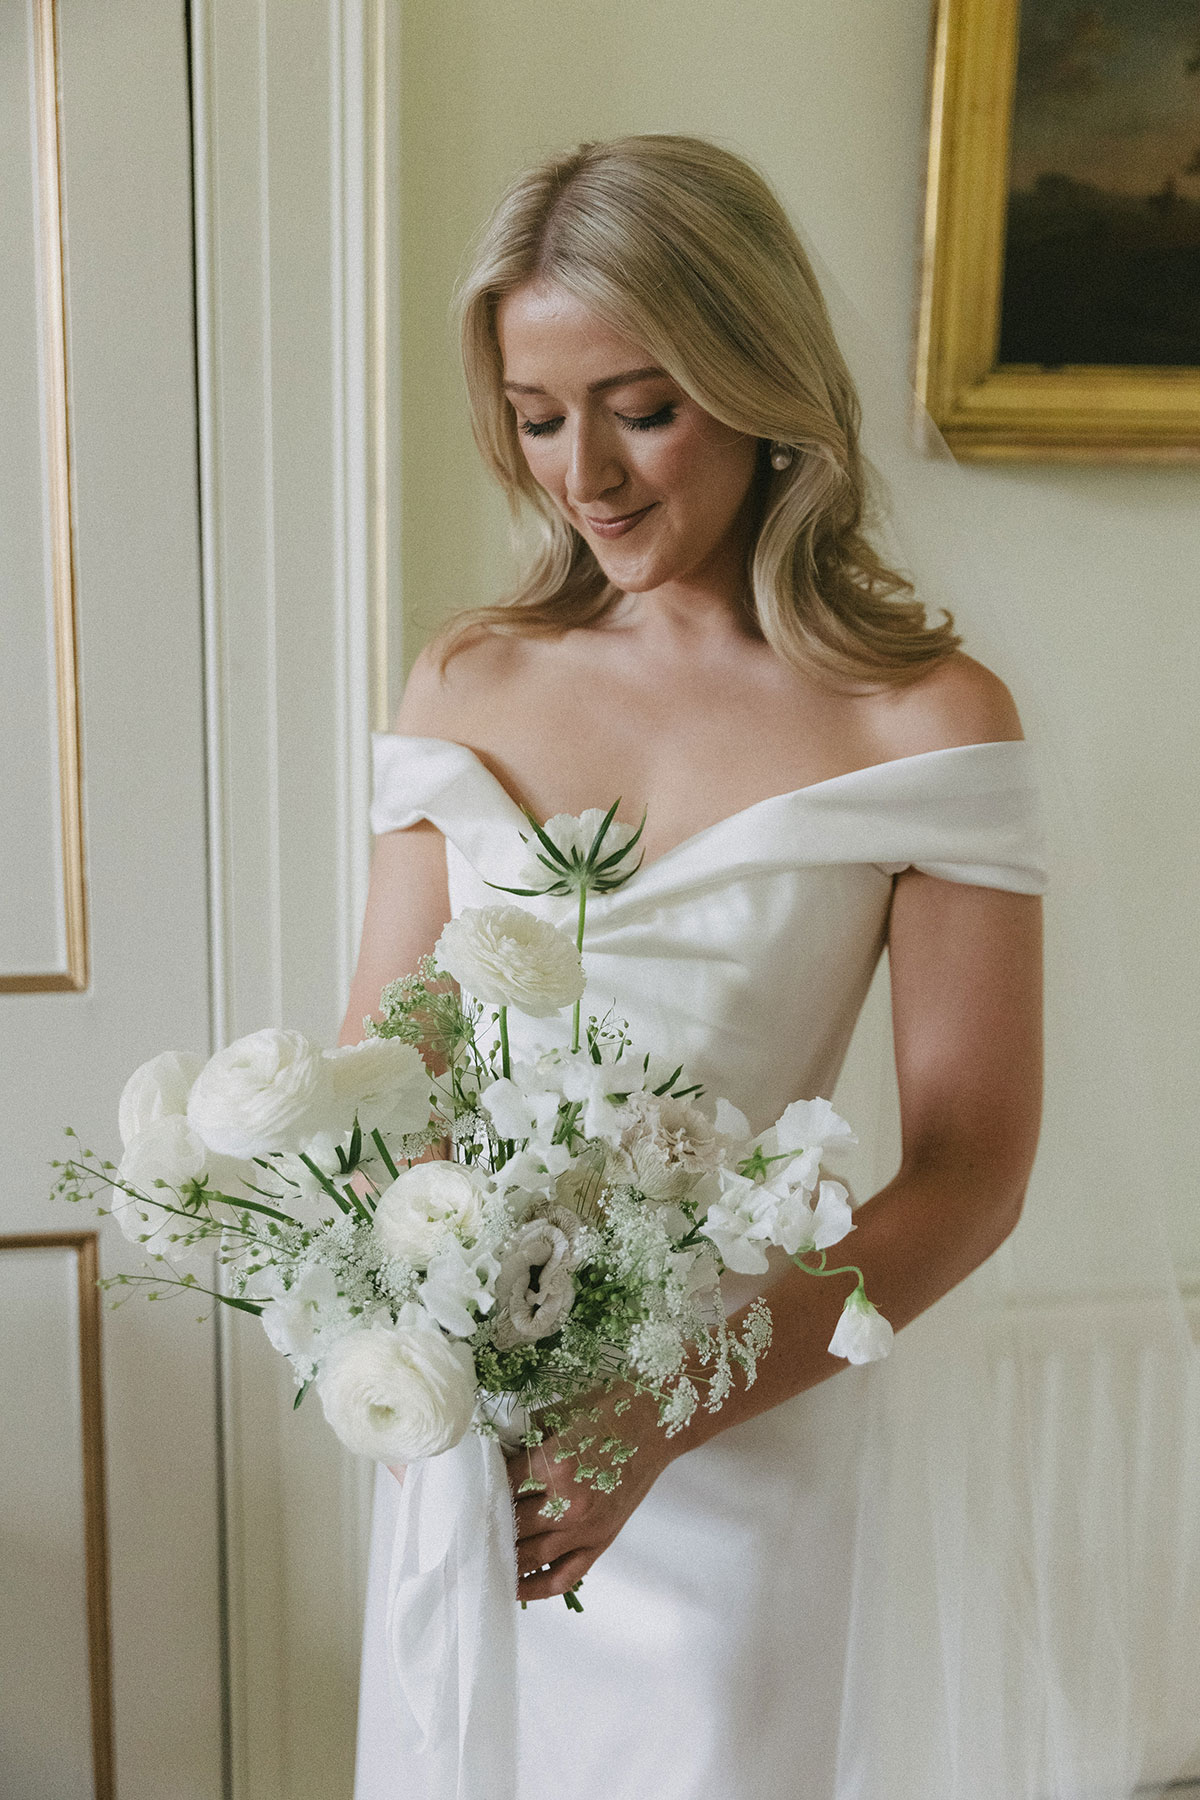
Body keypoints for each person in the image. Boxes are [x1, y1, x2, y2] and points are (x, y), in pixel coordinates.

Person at [343, 134, 1047, 1800]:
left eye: (641, 408)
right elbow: (380, 1077)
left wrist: (660, 1409)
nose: (583, 475)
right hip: (478, 1444)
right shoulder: (467, 682)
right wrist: (430, 1338)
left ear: (757, 385)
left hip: (742, 1432)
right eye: (537, 418)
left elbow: (970, 1171)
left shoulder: (926, 721)